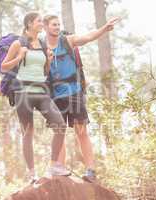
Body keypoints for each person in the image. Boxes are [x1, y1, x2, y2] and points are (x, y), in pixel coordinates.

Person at [43, 14, 120, 182]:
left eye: (58, 24)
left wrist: (104, 29)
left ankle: (91, 170)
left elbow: (87, 37)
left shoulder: (68, 40)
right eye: (53, 25)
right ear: (45, 27)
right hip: (55, 96)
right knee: (59, 133)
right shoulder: (42, 47)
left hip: (74, 92)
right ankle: (59, 170)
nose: (57, 27)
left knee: (81, 132)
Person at [1, 12, 71, 184]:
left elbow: (45, 72)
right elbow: (4, 67)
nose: (42, 23)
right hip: (23, 93)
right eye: (39, 21)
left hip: (41, 91)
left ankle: (54, 165)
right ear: (29, 24)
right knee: (28, 133)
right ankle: (32, 174)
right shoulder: (18, 43)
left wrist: (48, 60)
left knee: (60, 125)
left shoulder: (42, 43)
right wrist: (19, 57)